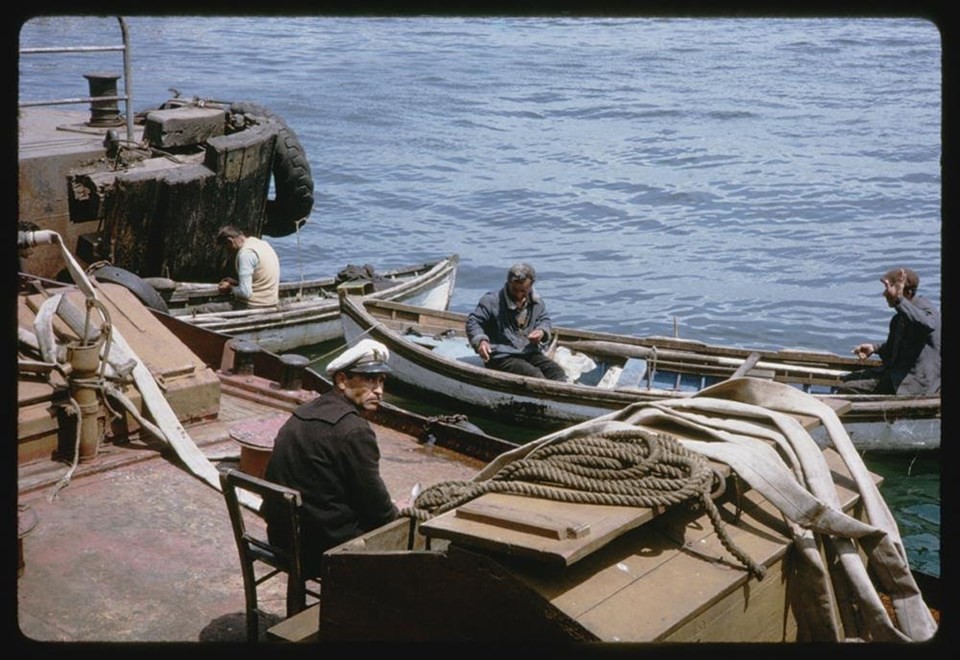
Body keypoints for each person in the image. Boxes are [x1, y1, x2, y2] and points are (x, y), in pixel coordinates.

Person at [262, 339, 400, 577]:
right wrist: (401, 518)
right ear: (342, 380)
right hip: (322, 551)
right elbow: (377, 511)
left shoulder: (304, 412)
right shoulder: (355, 430)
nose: (378, 390)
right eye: (369, 379)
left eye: (381, 380)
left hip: (282, 538)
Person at [837, 267, 940, 395]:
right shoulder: (899, 318)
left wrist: (898, 299)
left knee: (846, 389)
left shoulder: (925, 310)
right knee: (847, 379)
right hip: (897, 373)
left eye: (889, 288)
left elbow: (927, 325)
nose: (885, 293)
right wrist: (875, 348)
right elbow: (897, 350)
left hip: (915, 383)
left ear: (906, 293)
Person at [465, 262, 567, 381]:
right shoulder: (491, 301)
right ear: (508, 283)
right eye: (515, 290)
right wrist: (481, 341)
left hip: (528, 351)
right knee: (534, 376)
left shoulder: (537, 302)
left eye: (523, 291)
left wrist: (541, 331)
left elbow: (544, 320)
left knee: (557, 372)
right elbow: (474, 322)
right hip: (501, 355)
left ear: (531, 286)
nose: (519, 294)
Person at [215, 224, 280, 308]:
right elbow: (260, 281)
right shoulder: (262, 244)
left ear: (230, 241)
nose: (228, 251)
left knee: (202, 309)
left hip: (255, 305)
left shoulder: (245, 255)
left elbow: (245, 293)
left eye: (226, 247)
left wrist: (230, 288)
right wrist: (237, 283)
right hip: (271, 302)